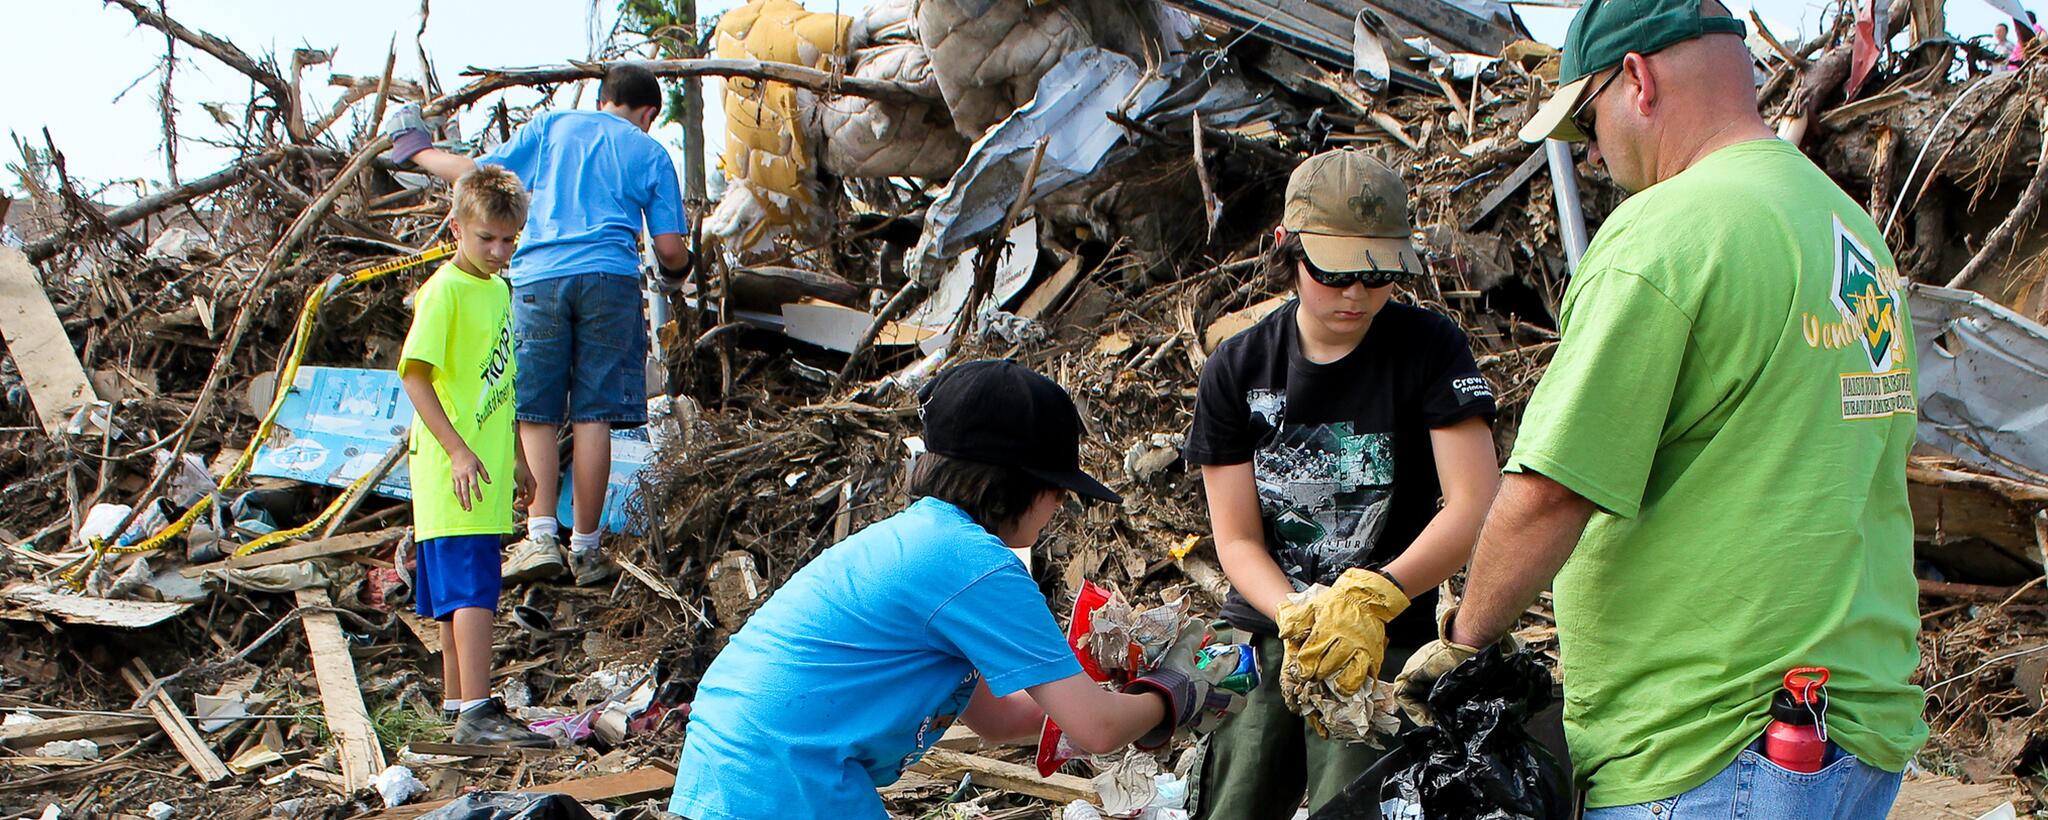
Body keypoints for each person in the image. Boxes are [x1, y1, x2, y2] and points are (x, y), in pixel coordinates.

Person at [1391, 0, 1927, 816]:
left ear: (1636, 77)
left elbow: (1550, 491)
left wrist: (1462, 645)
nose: (1596, 151)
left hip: (1709, 740)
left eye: (1589, 119)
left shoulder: (1670, 234)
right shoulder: (1844, 228)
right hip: (1851, 729)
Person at [667, 360, 1243, 820]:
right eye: (1056, 487)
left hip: (731, 759)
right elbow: (1095, 731)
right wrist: (1174, 692)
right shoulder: (976, 566)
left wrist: (1106, 687)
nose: (1062, 504)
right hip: (787, 772)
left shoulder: (921, 543)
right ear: (1014, 483)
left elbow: (998, 720)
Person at [1182, 149, 1500, 819]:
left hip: (1389, 622)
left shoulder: (1430, 349)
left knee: (1355, 801)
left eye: (1378, 273)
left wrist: (1377, 595)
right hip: (1263, 622)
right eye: (1333, 272)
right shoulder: (1237, 369)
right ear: (1286, 249)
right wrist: (1293, 612)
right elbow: (1235, 538)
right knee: (1232, 799)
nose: (1357, 295)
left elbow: (1473, 505)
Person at [385, 63, 691, 587]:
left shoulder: (552, 129)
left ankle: (541, 536)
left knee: (537, 411)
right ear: (647, 114)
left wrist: (415, 149)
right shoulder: (651, 152)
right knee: (595, 415)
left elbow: (475, 175)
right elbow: (669, 250)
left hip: (538, 280)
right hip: (609, 282)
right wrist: (680, 271)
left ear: (602, 99)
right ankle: (588, 550)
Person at [397, 166, 552, 747]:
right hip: (453, 468)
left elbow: (500, 386)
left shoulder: (496, 290)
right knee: (471, 589)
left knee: (452, 593)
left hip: (484, 465)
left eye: (509, 239)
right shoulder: (445, 291)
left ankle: (457, 703)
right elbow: (415, 377)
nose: (499, 250)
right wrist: (459, 452)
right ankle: (480, 712)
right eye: (487, 237)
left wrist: (515, 456)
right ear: (456, 226)